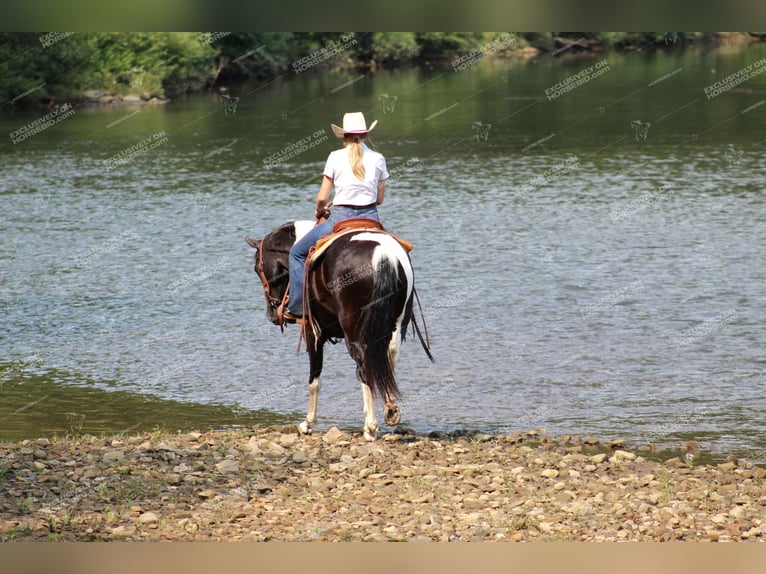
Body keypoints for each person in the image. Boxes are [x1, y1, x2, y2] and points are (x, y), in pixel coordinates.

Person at [283, 112, 389, 322]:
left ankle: (296, 308)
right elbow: (379, 200)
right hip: (371, 218)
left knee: (296, 253)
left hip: (341, 218)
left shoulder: (335, 157)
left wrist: (320, 210)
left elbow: (322, 198)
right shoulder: (378, 158)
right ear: (366, 134)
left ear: (343, 136)